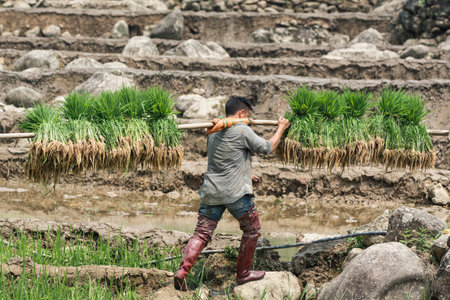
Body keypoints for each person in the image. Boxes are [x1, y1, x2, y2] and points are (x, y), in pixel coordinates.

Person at [174, 96, 290, 291]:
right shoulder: (243, 129)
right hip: (236, 194)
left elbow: (226, 158)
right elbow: (267, 147)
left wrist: (246, 173)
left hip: (212, 191)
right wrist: (281, 127)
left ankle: (182, 272)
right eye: (248, 115)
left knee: (202, 233)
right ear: (242, 114)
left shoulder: (212, 131)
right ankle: (243, 273)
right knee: (252, 230)